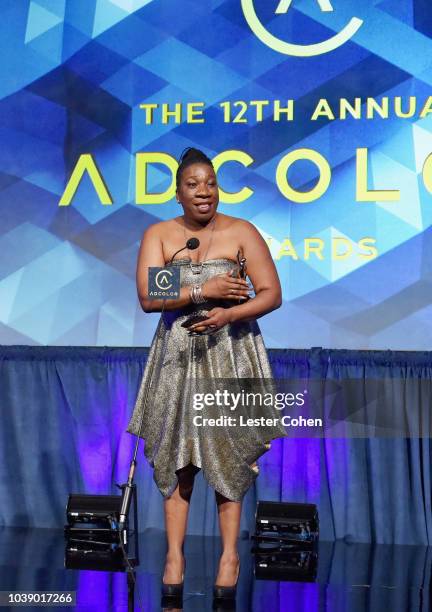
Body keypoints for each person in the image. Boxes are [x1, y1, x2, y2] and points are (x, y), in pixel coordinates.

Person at [127, 147, 287, 600]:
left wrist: (227, 314)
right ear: (178, 193)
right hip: (178, 354)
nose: (204, 192)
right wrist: (204, 287)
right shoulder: (162, 235)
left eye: (211, 183)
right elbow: (148, 295)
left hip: (230, 352)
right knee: (177, 457)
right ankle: (175, 555)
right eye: (194, 184)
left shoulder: (241, 232)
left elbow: (271, 293)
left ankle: (229, 555)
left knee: (228, 455)